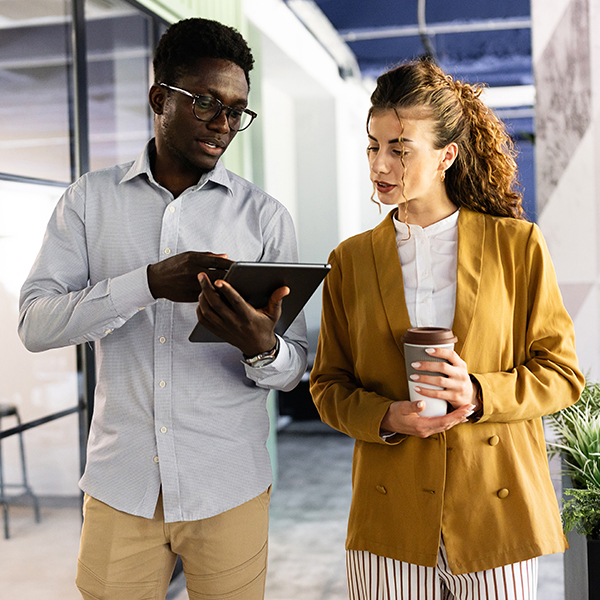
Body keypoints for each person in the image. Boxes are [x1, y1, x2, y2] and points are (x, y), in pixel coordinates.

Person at [18, 18, 307, 600]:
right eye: (205, 103)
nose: (223, 124)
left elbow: (295, 364)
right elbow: (34, 324)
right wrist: (146, 283)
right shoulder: (87, 201)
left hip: (228, 486)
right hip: (120, 485)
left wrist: (263, 348)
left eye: (236, 109)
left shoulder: (265, 219)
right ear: (160, 98)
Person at [310, 58, 584, 600]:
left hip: (493, 510)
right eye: (373, 146)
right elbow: (328, 386)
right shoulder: (350, 260)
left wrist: (479, 391)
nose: (379, 164)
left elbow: (562, 373)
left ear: (446, 156)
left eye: (399, 148)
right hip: (389, 516)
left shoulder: (518, 245)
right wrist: (386, 416)